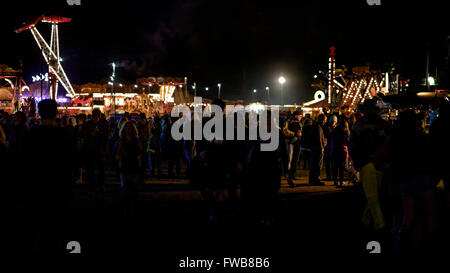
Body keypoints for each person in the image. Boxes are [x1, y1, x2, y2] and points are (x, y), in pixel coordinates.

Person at [22, 99, 73, 254]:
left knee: (39, 224)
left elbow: (25, 160)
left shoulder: (32, 134)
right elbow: (71, 159)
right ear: (56, 112)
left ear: (39, 112)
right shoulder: (63, 135)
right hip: (59, 185)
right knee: (57, 224)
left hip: (37, 185)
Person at [116, 120, 145, 218]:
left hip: (134, 166)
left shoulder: (136, 140)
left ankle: (134, 210)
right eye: (126, 127)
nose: (128, 129)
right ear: (123, 129)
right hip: (125, 167)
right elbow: (118, 153)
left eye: (130, 127)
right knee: (125, 190)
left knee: (135, 191)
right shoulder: (121, 140)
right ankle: (126, 210)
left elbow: (142, 151)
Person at [81, 108, 108, 195]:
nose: (96, 117)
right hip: (90, 149)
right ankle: (93, 187)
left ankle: (99, 186)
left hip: (99, 149)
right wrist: (90, 133)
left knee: (100, 169)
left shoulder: (103, 124)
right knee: (91, 170)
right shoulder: (88, 124)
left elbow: (106, 137)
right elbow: (82, 134)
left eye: (97, 115)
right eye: (95, 115)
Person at [283, 111, 302, 187]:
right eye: (300, 115)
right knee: (289, 160)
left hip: (297, 143)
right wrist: (294, 134)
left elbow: (301, 131)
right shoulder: (288, 122)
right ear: (296, 115)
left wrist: (300, 134)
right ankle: (288, 175)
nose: (301, 117)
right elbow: (285, 131)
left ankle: (292, 174)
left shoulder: (300, 123)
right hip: (290, 143)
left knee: (295, 160)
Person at [308, 114, 327, 185]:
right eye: (324, 120)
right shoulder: (318, 127)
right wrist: (322, 146)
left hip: (314, 148)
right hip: (318, 148)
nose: (325, 121)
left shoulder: (315, 126)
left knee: (313, 164)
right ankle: (316, 180)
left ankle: (312, 180)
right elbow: (319, 139)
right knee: (318, 165)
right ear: (320, 119)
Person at [330, 118, 350, 187]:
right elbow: (347, 142)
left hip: (335, 149)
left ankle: (335, 181)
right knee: (342, 167)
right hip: (343, 150)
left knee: (335, 166)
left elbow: (331, 139)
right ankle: (341, 181)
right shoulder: (345, 132)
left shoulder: (335, 130)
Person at [323, 115, 337, 181]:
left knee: (333, 163)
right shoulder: (327, 128)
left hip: (334, 148)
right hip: (328, 147)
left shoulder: (337, 129)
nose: (332, 123)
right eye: (332, 121)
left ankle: (334, 176)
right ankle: (328, 176)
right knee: (328, 163)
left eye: (334, 121)